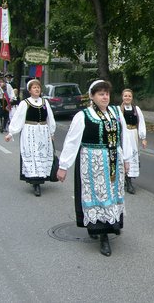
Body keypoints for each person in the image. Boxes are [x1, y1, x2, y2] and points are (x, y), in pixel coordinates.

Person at [57, 80, 131, 257]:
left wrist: (127, 159)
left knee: (113, 193)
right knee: (98, 195)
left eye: (106, 93)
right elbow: (72, 141)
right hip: (93, 161)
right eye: (100, 94)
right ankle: (102, 235)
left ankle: (113, 224)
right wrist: (63, 166)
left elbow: (124, 136)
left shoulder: (115, 112)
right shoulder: (84, 115)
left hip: (114, 159)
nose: (105, 97)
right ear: (92, 96)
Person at [4, 79, 56, 196]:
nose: (37, 89)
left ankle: (40, 178)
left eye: (38, 87)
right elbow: (18, 119)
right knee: (32, 155)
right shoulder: (25, 103)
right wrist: (11, 133)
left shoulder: (44, 102)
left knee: (41, 153)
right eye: (34, 87)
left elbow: (50, 118)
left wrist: (51, 133)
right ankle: (35, 183)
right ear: (29, 90)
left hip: (43, 131)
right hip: (29, 132)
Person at [117, 88, 147, 195]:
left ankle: (129, 179)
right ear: (122, 97)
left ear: (132, 97)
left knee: (132, 157)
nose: (127, 98)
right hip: (123, 136)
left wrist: (143, 138)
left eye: (129, 96)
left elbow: (141, 122)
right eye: (125, 96)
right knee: (124, 156)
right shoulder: (118, 110)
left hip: (133, 134)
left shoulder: (136, 109)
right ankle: (126, 180)